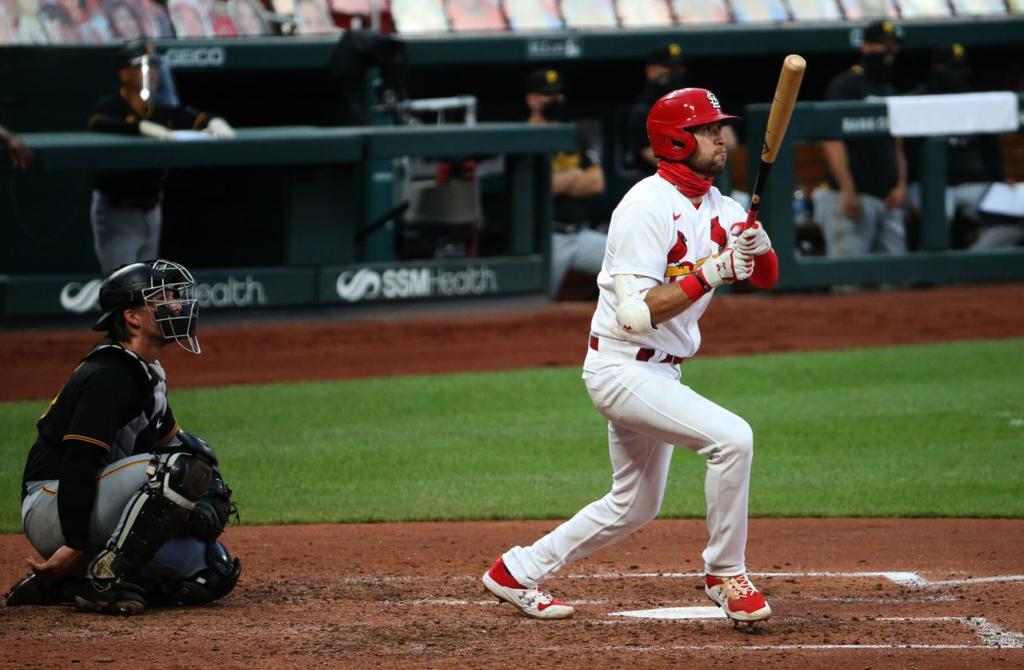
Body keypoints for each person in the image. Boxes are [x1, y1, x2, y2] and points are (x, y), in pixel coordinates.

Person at [482, 88, 779, 625]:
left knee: (634, 504)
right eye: (709, 129)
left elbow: (767, 277)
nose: (720, 138)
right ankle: (725, 574)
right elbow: (636, 315)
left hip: (660, 371)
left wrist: (757, 252)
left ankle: (515, 571)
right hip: (621, 366)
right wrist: (715, 270)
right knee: (733, 439)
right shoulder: (644, 207)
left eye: (720, 128)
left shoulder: (725, 206)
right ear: (676, 139)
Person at [4, 259, 241, 614]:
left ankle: (69, 584)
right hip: (55, 503)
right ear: (133, 316)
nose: (177, 303)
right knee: (175, 470)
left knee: (211, 570)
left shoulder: (145, 374)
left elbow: (183, 450)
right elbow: (79, 464)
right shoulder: (110, 375)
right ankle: (102, 579)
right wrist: (75, 544)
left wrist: (203, 498)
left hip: (96, 502)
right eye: (164, 297)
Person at [88, 41, 235, 275]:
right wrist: (140, 127)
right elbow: (98, 121)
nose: (153, 73)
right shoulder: (112, 105)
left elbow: (193, 117)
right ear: (125, 73)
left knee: (147, 290)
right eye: (145, 67)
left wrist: (213, 121)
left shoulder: (162, 107)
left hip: (151, 209)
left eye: (155, 67)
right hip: (118, 211)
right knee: (123, 289)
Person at [905, 43, 1021, 250]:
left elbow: (990, 145)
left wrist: (1001, 177)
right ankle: (936, 270)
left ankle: (977, 259)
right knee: (940, 213)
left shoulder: (974, 99)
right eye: (951, 67)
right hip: (929, 186)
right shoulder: (918, 100)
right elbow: (905, 152)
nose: (957, 73)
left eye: (961, 67)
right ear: (936, 68)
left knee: (1014, 208)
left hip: (972, 184)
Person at [814, 20, 907, 257]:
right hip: (850, 196)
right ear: (865, 46)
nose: (889, 51)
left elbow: (897, 144)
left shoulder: (889, 89)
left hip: (887, 198)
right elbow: (831, 140)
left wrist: (901, 184)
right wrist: (848, 189)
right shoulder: (845, 85)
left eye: (893, 45)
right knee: (849, 281)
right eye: (882, 45)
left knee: (896, 280)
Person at [525, 67, 607, 298]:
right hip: (548, 239)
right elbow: (540, 187)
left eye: (558, 94)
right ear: (532, 100)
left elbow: (597, 182)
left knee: (628, 261)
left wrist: (561, 181)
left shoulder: (572, 134)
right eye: (548, 95)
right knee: (536, 302)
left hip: (581, 235)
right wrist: (573, 176)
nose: (556, 99)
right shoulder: (524, 135)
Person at [626, 43, 688, 174]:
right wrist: (696, 164)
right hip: (656, 184)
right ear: (650, 71)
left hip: (699, 185)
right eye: (668, 67)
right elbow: (650, 154)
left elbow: (728, 140)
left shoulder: (691, 103)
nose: (674, 72)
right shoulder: (643, 109)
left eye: (677, 67)